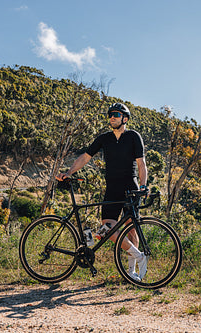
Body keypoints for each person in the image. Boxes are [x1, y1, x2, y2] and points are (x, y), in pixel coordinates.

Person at [56, 102, 148, 281]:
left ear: (125, 118)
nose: (112, 117)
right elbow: (85, 157)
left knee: (131, 230)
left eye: (116, 114)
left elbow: (141, 163)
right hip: (112, 187)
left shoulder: (133, 136)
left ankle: (131, 273)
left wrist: (143, 186)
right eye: (110, 114)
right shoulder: (104, 138)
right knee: (107, 229)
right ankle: (140, 256)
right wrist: (68, 173)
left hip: (130, 186)